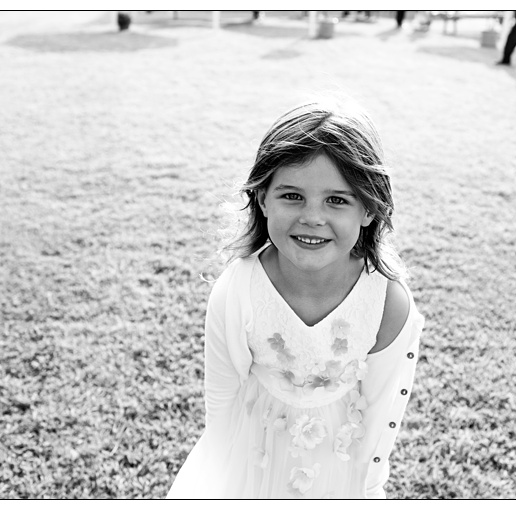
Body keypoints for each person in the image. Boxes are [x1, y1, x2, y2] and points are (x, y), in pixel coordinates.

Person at [168, 101, 425, 498]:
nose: (312, 217)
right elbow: (221, 395)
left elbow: (381, 407)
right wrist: (221, 479)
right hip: (250, 458)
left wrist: (368, 486)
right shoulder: (239, 288)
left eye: (337, 200)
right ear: (263, 198)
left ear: (369, 209)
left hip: (337, 468)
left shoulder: (387, 301)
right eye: (292, 196)